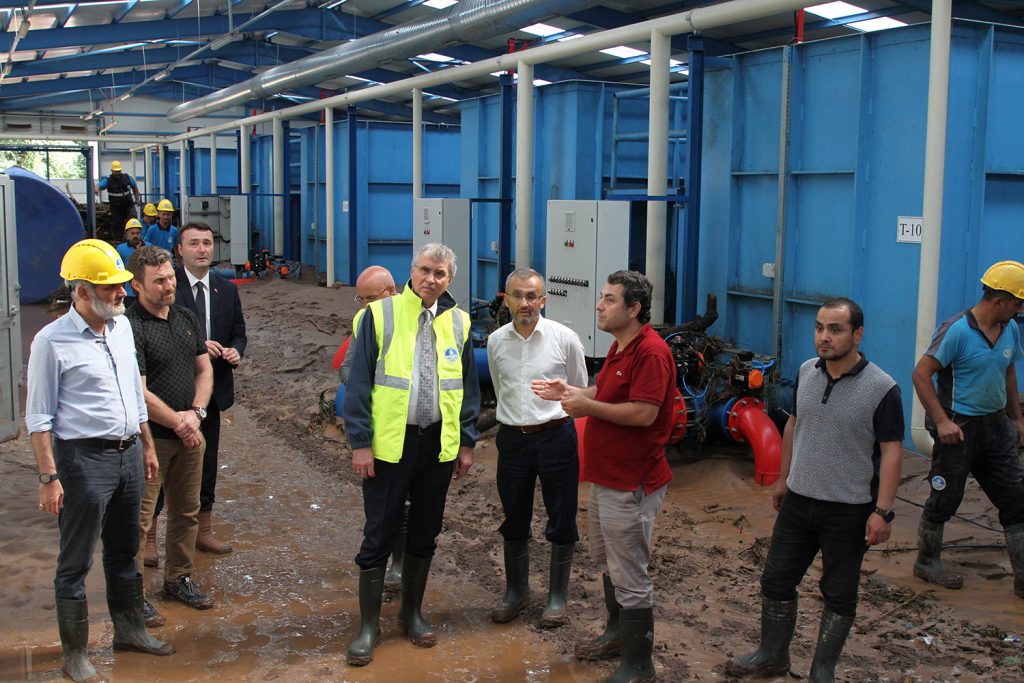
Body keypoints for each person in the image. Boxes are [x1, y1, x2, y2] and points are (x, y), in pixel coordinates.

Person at [725, 297, 904, 681]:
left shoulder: (882, 388)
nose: (824, 337)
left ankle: (822, 671)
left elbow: (892, 452)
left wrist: (883, 511)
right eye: (820, 328)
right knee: (776, 580)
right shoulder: (807, 371)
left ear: (857, 334)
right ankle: (773, 656)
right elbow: (794, 425)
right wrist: (784, 479)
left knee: (838, 593)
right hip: (799, 501)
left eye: (835, 330)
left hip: (849, 509)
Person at [26, 239, 174, 682]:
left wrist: (147, 445)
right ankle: (75, 655)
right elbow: (39, 417)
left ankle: (129, 631)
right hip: (82, 461)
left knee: (125, 549)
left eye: (121, 285)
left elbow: (133, 393)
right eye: (111, 287)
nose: (122, 293)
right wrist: (48, 477)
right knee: (75, 560)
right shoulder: (51, 342)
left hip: (129, 455)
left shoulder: (122, 327)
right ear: (82, 291)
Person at [533, 270, 675, 683]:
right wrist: (573, 392)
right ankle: (615, 636)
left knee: (630, 572)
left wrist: (587, 408)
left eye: (610, 299)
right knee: (610, 563)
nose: (599, 305)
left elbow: (644, 413)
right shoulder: (621, 345)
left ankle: (639, 666)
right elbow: (610, 393)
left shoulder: (651, 352)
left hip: (632, 481)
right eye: (602, 297)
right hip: (609, 478)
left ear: (634, 309)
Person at [342, 243, 480, 666]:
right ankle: (368, 627)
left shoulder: (459, 322)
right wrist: (360, 442)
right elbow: (358, 383)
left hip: (437, 445)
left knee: (424, 531)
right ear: (411, 270)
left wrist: (466, 442)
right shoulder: (379, 315)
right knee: (379, 533)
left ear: (449, 279)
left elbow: (468, 386)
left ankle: (411, 614)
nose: (430, 279)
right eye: (424, 270)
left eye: (439, 273)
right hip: (389, 446)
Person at [911, 261, 1024, 596]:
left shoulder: (1009, 329)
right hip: (959, 429)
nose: (1020, 310)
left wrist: (1017, 418)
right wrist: (941, 421)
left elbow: (1008, 371)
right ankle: (927, 562)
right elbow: (921, 375)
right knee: (946, 496)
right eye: (1018, 303)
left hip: (996, 427)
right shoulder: (957, 330)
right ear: (999, 300)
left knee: (1017, 497)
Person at [486, 268, 587, 628]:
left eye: (532, 296)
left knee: (562, 515)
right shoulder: (496, 342)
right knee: (514, 517)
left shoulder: (565, 339)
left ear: (543, 300)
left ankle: (557, 598)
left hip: (557, 437)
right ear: (507, 299)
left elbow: (579, 390)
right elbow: (500, 388)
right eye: (517, 295)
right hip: (513, 440)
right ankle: (516, 592)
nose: (525, 303)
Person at [126, 245, 215, 625]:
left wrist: (196, 414)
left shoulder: (185, 316)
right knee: (139, 519)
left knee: (186, 512)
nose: (169, 286)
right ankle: (132, 595)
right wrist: (178, 422)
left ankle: (178, 579)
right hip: (151, 440)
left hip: (190, 434)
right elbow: (138, 390)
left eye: (170, 278)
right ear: (136, 285)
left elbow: (204, 370)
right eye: (159, 281)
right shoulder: (130, 326)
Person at [166, 220, 248, 555]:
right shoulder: (169, 287)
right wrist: (197, 345)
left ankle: (204, 530)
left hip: (213, 391)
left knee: (206, 459)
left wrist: (236, 351)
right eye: (194, 243)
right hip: (173, 388)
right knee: (164, 459)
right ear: (180, 250)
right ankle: (150, 538)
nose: (202, 249)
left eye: (207, 243)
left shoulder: (226, 289)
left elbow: (239, 331)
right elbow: (158, 331)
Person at [96, 161, 140, 241]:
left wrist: (137, 199)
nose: (117, 173)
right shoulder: (108, 181)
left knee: (133, 217)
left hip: (128, 205)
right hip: (116, 208)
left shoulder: (127, 178)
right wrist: (96, 189)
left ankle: (133, 238)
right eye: (115, 171)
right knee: (117, 224)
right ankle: (118, 240)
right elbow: (99, 185)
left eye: (118, 171)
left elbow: (134, 187)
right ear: (112, 171)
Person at [117, 218, 147, 303]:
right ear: (127, 234)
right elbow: (119, 271)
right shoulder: (121, 249)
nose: (135, 236)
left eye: (138, 233)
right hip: (129, 293)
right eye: (132, 233)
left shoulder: (148, 247)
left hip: (146, 291)